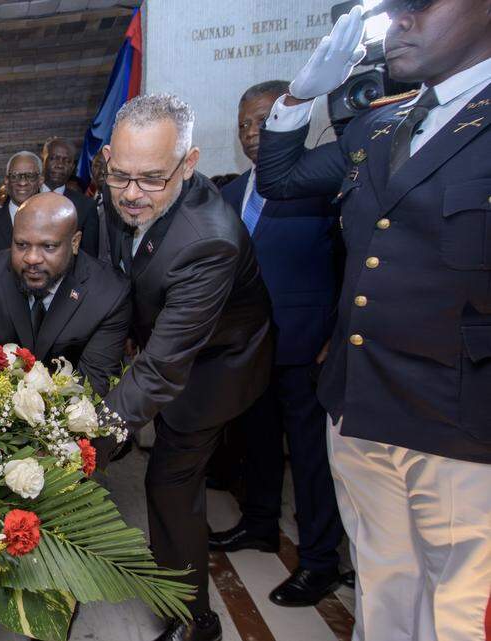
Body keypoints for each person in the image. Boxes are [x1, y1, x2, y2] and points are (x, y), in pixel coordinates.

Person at [255, 4, 491, 640]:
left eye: (422, 4)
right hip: (359, 405)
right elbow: (279, 180)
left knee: (460, 613)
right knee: (384, 589)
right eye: (394, 9)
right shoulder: (380, 126)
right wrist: (304, 92)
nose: (402, 22)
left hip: (461, 421)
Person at [97, 93, 274, 641]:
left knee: (170, 480)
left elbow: (161, 372)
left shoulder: (210, 240)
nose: (130, 195)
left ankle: (194, 620)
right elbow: (123, 273)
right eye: (119, 175)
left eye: (151, 179)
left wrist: (87, 442)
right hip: (168, 343)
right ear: (107, 159)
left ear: (189, 163)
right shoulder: (123, 191)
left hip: (219, 365)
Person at [208, 80, 345, 607]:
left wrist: (336, 333)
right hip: (248, 348)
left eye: (263, 121)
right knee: (257, 443)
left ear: (296, 119)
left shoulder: (323, 183)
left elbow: (348, 260)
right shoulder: (229, 193)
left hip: (308, 347)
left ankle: (318, 562)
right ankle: (260, 524)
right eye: (244, 124)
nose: (252, 133)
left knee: (309, 458)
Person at [0, 192, 131, 397]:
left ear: (74, 242)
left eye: (48, 246)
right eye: (21, 245)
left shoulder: (109, 293)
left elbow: (92, 386)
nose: (32, 258)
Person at [39, 137, 101, 257]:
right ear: (44, 160)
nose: (59, 165)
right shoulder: (27, 199)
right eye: (54, 158)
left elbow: (89, 256)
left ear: (72, 167)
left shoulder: (86, 206)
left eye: (66, 161)